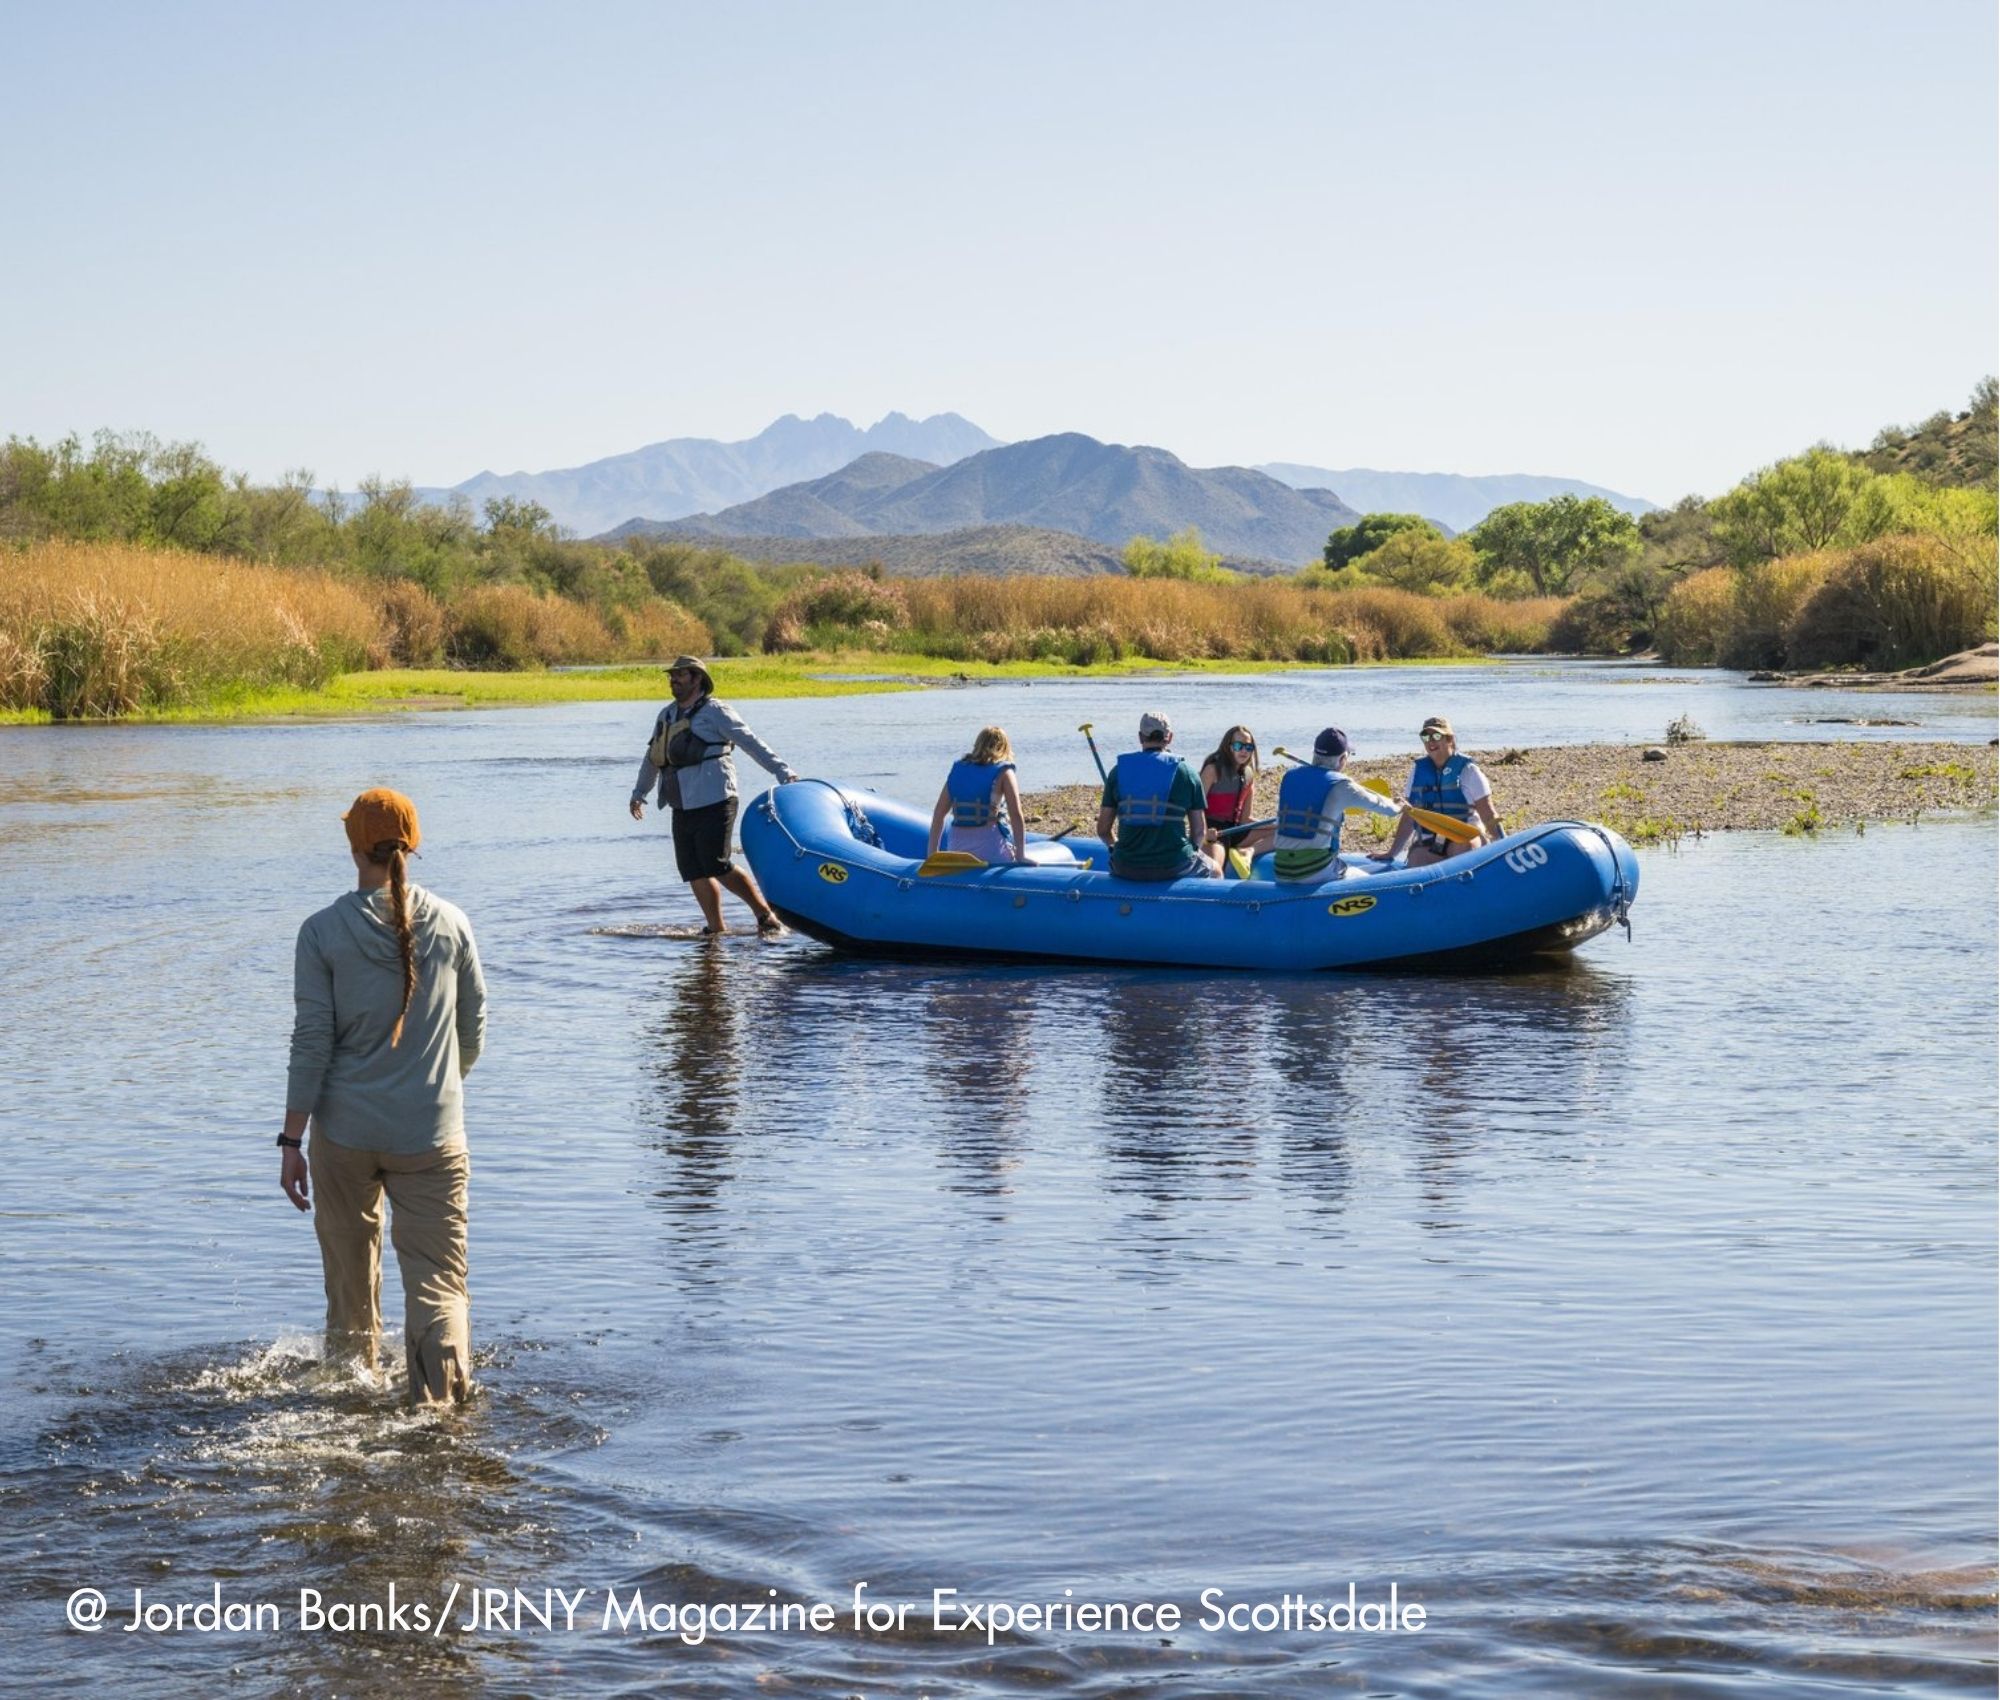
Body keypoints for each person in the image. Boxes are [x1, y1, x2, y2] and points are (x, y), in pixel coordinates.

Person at [279, 787, 487, 1406]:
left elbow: (311, 1042)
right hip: (432, 1133)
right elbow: (472, 1031)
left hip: (343, 1137)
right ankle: (441, 1413)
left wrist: (291, 1140)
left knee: (349, 1281)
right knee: (439, 1283)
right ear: (413, 844)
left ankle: (350, 1399)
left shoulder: (321, 932)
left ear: (353, 846)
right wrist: (434, 1089)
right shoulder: (452, 922)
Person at [630, 655, 798, 936]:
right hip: (681, 802)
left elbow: (750, 742)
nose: (674, 679)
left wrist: (783, 772)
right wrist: (639, 793)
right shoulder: (666, 716)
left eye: (681, 675)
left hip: (716, 798)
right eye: (672, 675)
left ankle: (765, 915)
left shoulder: (716, 711)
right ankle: (716, 929)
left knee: (716, 864)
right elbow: (652, 757)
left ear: (697, 679)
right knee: (693, 870)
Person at [1272, 727, 1409, 881]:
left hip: (1281, 869)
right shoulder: (1342, 785)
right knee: (1374, 877)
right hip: (1315, 871)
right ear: (1342, 759)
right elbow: (1385, 808)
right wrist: (1399, 806)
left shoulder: (1289, 777)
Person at [1094, 710, 1219, 880]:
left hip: (1125, 864)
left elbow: (1103, 830)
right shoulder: (1187, 772)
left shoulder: (1117, 772)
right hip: (1175, 864)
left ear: (1140, 737)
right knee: (1216, 870)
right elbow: (1199, 831)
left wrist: (1114, 848)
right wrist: (1192, 852)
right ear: (1170, 737)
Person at [1377, 715, 1504, 867]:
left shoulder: (1468, 771)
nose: (1430, 741)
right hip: (1432, 840)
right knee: (1417, 857)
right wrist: (1392, 853)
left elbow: (1488, 813)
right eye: (1425, 736)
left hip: (1465, 837)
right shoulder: (1419, 770)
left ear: (1449, 739)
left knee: (1463, 848)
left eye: (1436, 735)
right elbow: (1409, 816)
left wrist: (1504, 843)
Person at [928, 726, 1030, 864]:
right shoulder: (1004, 772)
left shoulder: (958, 770)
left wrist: (932, 854)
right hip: (989, 848)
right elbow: (1016, 814)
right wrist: (1021, 855)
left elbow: (939, 814)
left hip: (957, 847)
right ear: (1004, 747)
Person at [1198, 724, 1273, 856]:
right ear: (1229, 747)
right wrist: (1203, 831)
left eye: (1249, 747)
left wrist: (1275, 825)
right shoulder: (1212, 770)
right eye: (1239, 746)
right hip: (1213, 833)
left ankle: (1248, 853)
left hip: (1235, 831)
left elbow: (1245, 820)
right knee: (1216, 863)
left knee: (1280, 833)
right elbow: (1195, 807)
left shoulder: (1248, 775)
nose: (1244, 751)